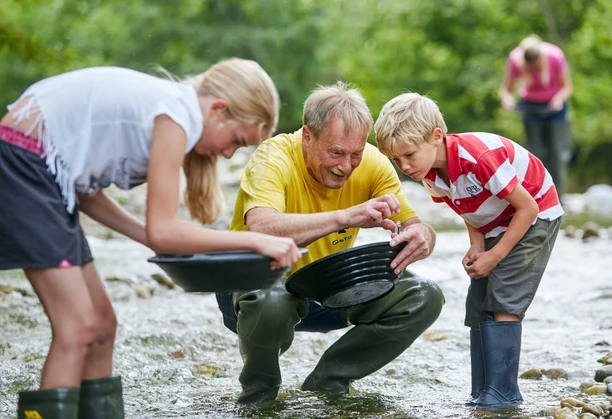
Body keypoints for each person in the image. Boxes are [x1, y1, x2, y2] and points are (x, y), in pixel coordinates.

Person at [0, 58, 303, 419]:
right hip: (24, 164)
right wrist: (252, 241)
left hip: (46, 173)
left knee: (102, 325)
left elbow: (87, 194)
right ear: (218, 109)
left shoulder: (172, 110)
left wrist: (148, 237)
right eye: (235, 141)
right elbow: (165, 230)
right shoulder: (175, 115)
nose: (227, 154)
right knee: (78, 327)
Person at [215, 83, 445, 404]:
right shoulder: (273, 156)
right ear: (307, 136)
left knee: (424, 295)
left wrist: (423, 237)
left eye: (356, 154)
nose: (346, 166)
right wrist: (346, 217)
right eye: (336, 152)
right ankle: (259, 396)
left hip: (325, 287)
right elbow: (262, 227)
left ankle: (327, 384)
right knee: (272, 300)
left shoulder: (373, 163)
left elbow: (415, 225)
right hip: (252, 289)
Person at [374, 93, 564, 407]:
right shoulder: (431, 175)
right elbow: (467, 208)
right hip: (496, 219)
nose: (404, 166)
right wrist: (477, 245)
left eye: (409, 155)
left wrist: (496, 254)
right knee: (478, 301)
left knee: (504, 296)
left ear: (436, 137)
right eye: (396, 160)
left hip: (535, 213)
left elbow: (527, 208)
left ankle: (503, 392)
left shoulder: (478, 158)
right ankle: (482, 388)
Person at [499, 34, 573, 197]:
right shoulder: (515, 58)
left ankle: (558, 196)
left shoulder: (554, 56)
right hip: (530, 108)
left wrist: (558, 99)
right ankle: (537, 196)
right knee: (534, 154)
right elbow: (505, 90)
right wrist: (508, 100)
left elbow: (567, 87)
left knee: (557, 153)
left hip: (554, 108)